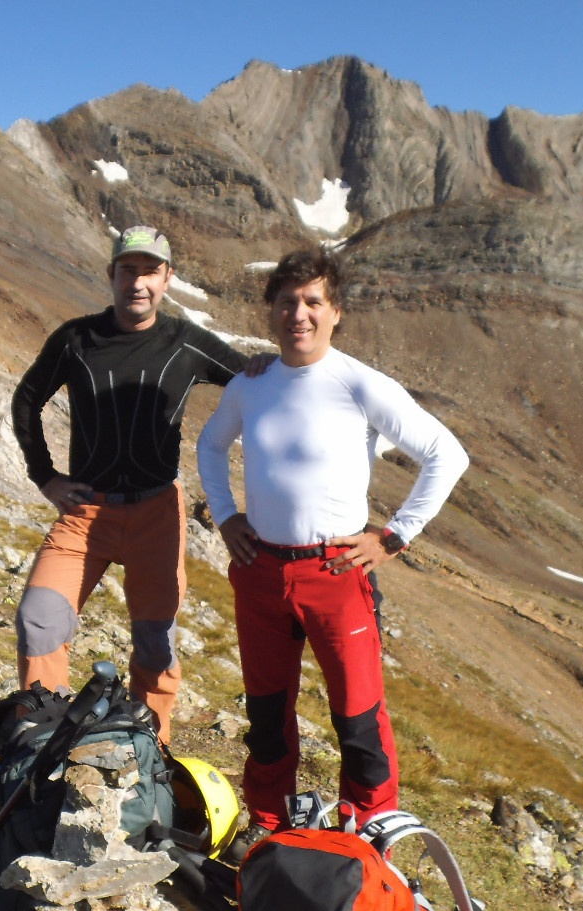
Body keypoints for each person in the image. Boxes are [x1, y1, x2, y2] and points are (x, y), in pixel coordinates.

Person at [197, 248, 468, 846]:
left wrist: (393, 536)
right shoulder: (251, 384)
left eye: (313, 302)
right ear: (271, 311)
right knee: (267, 713)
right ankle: (267, 822)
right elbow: (210, 446)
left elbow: (446, 455)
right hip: (260, 570)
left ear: (335, 312)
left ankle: (371, 830)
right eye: (288, 301)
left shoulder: (359, 383)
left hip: (337, 572)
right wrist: (225, 516)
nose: (300, 313)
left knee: (358, 716)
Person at [11, 225, 249, 743]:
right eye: (127, 271)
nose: (137, 283)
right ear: (112, 275)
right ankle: (38, 739)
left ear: (166, 279)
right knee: (39, 619)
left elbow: (255, 380)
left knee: (154, 644)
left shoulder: (185, 342)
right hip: (85, 514)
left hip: (156, 515)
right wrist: (46, 477)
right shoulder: (75, 339)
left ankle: (150, 751)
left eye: (149, 271)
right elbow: (26, 399)